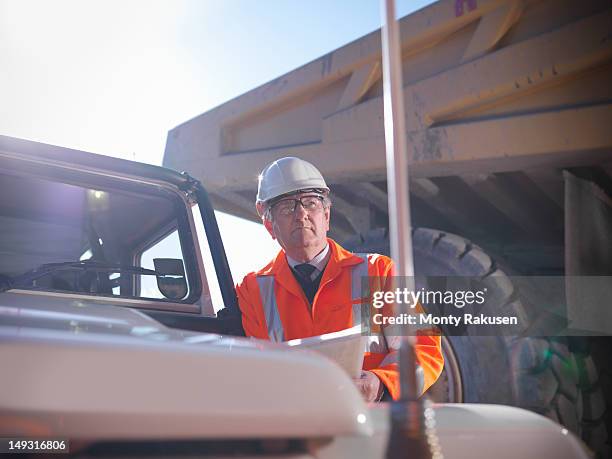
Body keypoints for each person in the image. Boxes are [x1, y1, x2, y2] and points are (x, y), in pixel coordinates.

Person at [236, 157, 443, 402]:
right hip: (297, 428)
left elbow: (424, 348)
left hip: (371, 425)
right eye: (287, 207)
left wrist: (381, 383)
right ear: (270, 225)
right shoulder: (253, 290)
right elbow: (257, 372)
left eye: (311, 203)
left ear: (326, 215)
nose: (301, 214)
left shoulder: (379, 272)